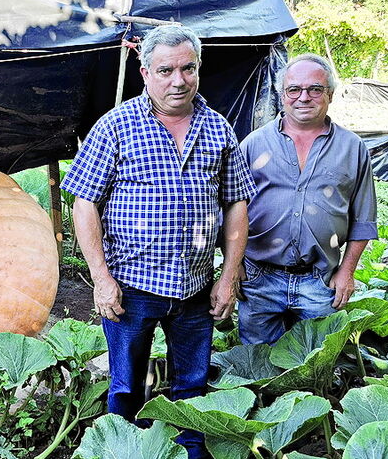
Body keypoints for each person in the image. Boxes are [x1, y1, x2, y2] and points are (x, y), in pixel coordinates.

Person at [61, 25, 255, 459]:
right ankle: (122, 450)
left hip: (196, 288)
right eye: (166, 70)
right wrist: (100, 278)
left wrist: (229, 277)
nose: (178, 80)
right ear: (145, 72)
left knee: (192, 386)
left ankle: (191, 453)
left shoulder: (218, 129)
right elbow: (85, 203)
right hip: (131, 287)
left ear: (198, 69)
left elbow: (236, 204)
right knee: (126, 387)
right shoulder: (115, 126)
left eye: (188, 68)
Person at [237, 53, 377, 345]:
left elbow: (364, 220)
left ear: (331, 95)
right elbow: (233, 212)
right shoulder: (253, 144)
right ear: (282, 94)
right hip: (259, 278)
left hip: (320, 280)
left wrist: (347, 272)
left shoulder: (352, 148)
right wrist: (233, 266)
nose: (304, 97)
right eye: (294, 90)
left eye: (315, 89)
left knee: (313, 370)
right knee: (257, 368)